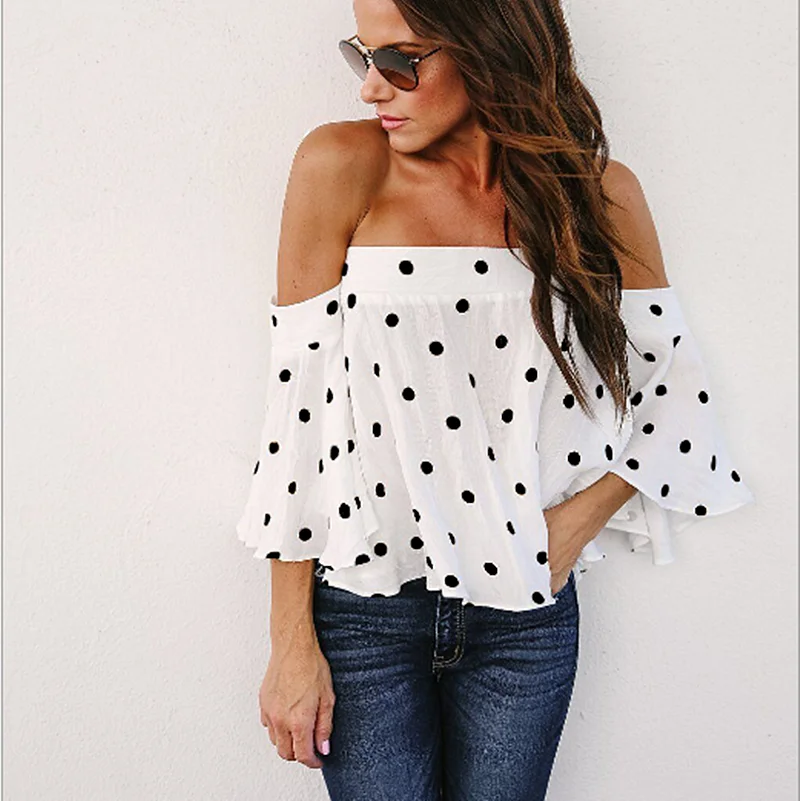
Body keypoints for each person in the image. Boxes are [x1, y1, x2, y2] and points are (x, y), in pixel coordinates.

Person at [235, 1, 755, 798]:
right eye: (362, 56)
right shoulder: (341, 166)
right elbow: (296, 414)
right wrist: (290, 640)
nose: (372, 87)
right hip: (366, 609)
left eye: (401, 60)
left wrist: (571, 526)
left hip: (524, 617)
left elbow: (674, 392)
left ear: (489, 44)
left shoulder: (596, 195)